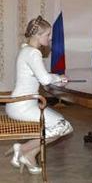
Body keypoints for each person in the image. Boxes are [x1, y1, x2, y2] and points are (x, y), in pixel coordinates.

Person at [5, 15, 73, 175]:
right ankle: (23, 149)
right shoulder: (33, 53)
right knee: (63, 126)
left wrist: (56, 78)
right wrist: (59, 78)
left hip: (21, 103)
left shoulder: (25, 50)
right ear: (37, 35)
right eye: (47, 35)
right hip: (22, 106)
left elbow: (39, 74)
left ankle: (29, 154)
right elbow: (44, 79)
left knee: (61, 125)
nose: (49, 39)